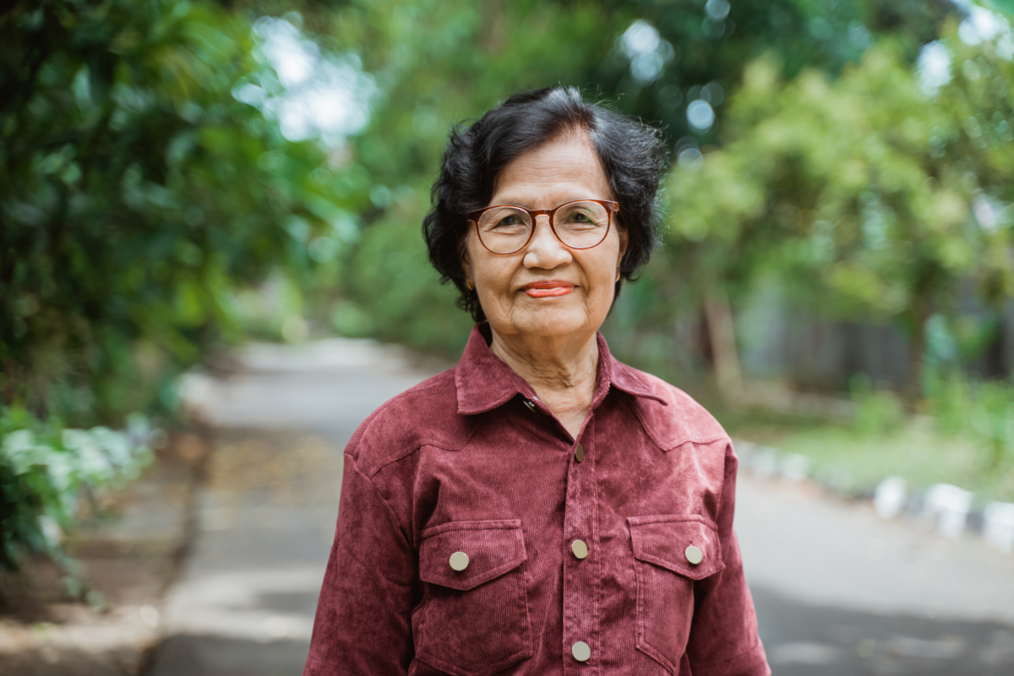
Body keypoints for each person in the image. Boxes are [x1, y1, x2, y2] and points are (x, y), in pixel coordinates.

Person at [303, 87, 770, 676]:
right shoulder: (397, 452)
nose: (546, 253)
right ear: (465, 259)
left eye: (579, 218)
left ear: (622, 243)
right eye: (508, 221)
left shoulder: (693, 445)